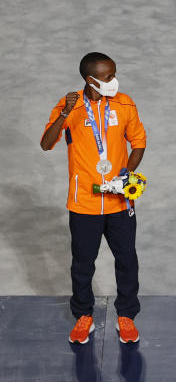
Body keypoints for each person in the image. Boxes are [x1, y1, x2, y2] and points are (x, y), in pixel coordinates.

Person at [40, 52, 147, 344]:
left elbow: (138, 142)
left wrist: (126, 174)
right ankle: (83, 316)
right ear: (91, 80)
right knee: (83, 263)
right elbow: (46, 144)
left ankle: (126, 316)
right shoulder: (70, 105)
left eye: (114, 74)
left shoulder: (124, 103)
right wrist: (64, 114)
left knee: (127, 259)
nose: (114, 80)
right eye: (108, 76)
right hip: (84, 203)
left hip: (119, 201)